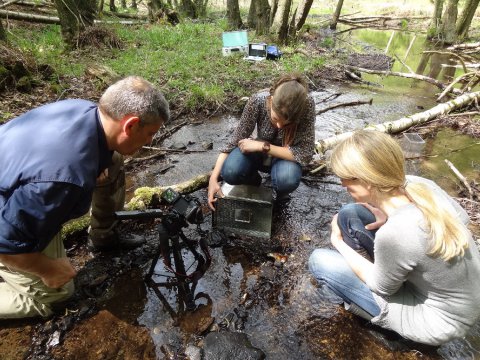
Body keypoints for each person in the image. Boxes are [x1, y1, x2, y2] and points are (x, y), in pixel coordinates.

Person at [0, 76, 170, 319]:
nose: (150, 141)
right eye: (150, 133)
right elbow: (5, 242)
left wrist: (97, 162)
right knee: (57, 294)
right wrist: (46, 268)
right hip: (9, 218)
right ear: (130, 125)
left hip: (18, 179)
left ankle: (104, 236)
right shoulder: (65, 179)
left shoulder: (83, 109)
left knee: (113, 161)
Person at [308, 130, 480, 346]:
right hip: (462, 302)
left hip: (436, 323)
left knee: (319, 260)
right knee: (350, 213)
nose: (342, 184)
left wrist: (339, 243)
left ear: (367, 180)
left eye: (344, 178)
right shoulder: (419, 184)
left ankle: (401, 335)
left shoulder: (396, 233)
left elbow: (380, 287)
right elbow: (462, 220)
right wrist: (388, 215)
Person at [207, 73, 315, 210]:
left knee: (286, 180)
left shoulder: (307, 106)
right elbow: (232, 143)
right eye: (276, 119)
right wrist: (213, 178)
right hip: (257, 154)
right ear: (270, 101)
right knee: (230, 171)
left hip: (285, 157)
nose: (279, 126)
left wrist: (263, 146)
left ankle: (281, 195)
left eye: (287, 124)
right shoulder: (258, 101)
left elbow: (305, 153)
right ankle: (253, 181)